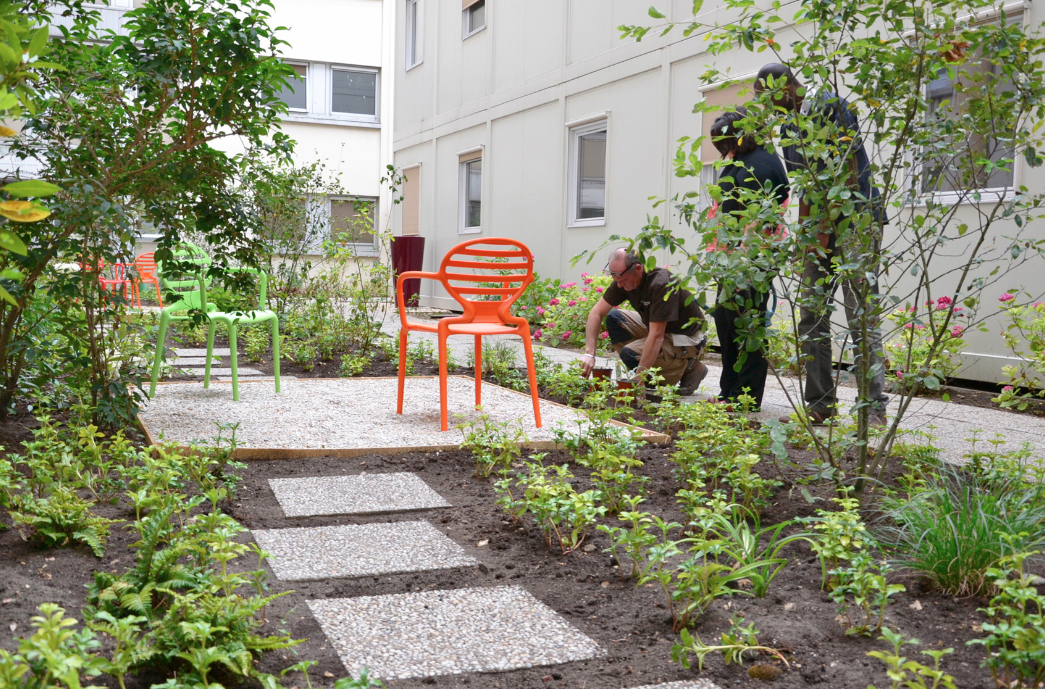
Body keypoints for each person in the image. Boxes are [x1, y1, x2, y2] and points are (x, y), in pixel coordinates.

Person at [754, 63, 889, 424]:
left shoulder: (832, 106)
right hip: (820, 227)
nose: (769, 108)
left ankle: (872, 409)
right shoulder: (788, 126)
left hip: (856, 222)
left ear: (785, 87)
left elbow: (846, 172)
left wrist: (825, 232)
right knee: (812, 314)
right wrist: (807, 239)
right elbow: (804, 185)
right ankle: (820, 407)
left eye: (769, 98)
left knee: (861, 314)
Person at [708, 108, 790, 410]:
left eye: (724, 145)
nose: (722, 153)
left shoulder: (761, 165)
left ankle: (745, 396)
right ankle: (730, 390)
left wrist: (742, 265)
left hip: (749, 261)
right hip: (732, 259)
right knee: (726, 319)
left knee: (746, 324)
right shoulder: (743, 161)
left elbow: (758, 220)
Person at [581, 248, 709, 394]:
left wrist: (640, 378)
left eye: (622, 281)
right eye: (616, 280)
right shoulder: (623, 279)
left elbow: (656, 336)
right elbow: (596, 312)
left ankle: (688, 368)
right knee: (615, 318)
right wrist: (589, 354)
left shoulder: (660, 284)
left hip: (688, 338)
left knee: (630, 354)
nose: (620, 285)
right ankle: (650, 365)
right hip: (659, 328)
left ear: (638, 268)